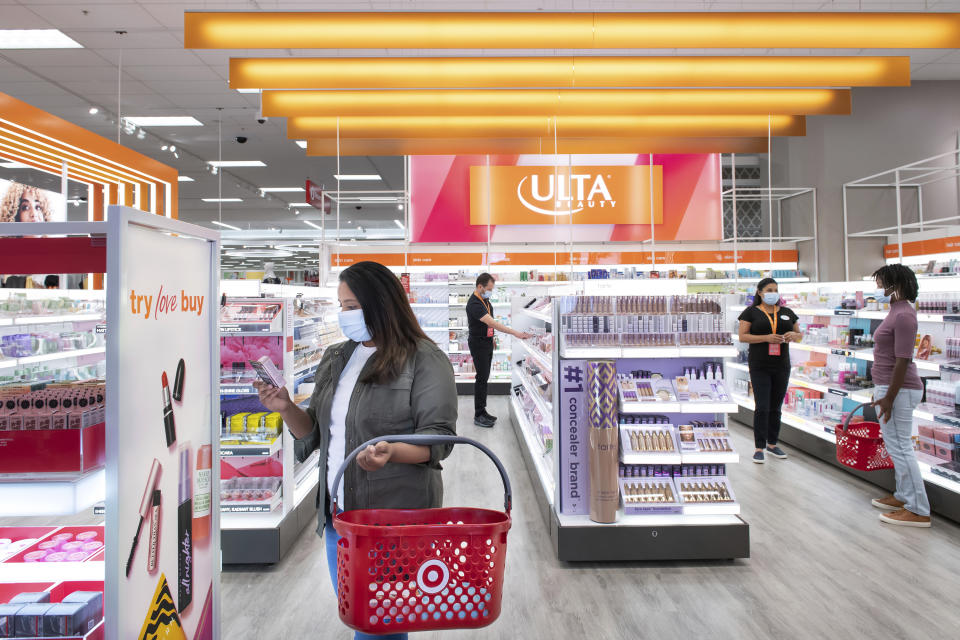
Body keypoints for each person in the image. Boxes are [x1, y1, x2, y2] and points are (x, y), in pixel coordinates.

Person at [253, 261, 458, 640]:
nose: (343, 315)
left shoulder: (424, 359)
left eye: (351, 306)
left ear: (380, 304)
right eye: (341, 306)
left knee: (378, 626)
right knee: (362, 618)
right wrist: (286, 407)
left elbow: (439, 440)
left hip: (393, 520)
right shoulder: (337, 357)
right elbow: (314, 432)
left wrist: (391, 452)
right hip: (339, 517)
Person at [869, 264, 931, 528]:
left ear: (896, 285)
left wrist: (889, 398)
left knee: (902, 447)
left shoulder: (905, 315)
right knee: (896, 445)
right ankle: (904, 496)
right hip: (891, 388)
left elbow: (903, 361)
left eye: (882, 284)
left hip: (899, 390)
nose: (878, 290)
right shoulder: (895, 311)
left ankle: (918, 510)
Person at [738, 277, 801, 464]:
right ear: (760, 292)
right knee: (762, 406)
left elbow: (799, 335)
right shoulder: (750, 312)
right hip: (759, 365)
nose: (773, 293)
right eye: (769, 290)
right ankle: (759, 447)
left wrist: (794, 335)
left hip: (781, 365)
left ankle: (773, 443)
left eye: (775, 290)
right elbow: (743, 337)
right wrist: (766, 337)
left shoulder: (788, 312)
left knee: (776, 406)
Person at [467, 273, 532, 427]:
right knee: (481, 378)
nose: (490, 291)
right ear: (480, 286)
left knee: (485, 377)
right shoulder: (474, 304)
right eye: (489, 289)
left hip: (487, 341)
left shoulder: (485, 300)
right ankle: (478, 414)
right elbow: (493, 323)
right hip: (478, 344)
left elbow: (489, 326)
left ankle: (483, 411)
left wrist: (493, 338)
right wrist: (515, 333)